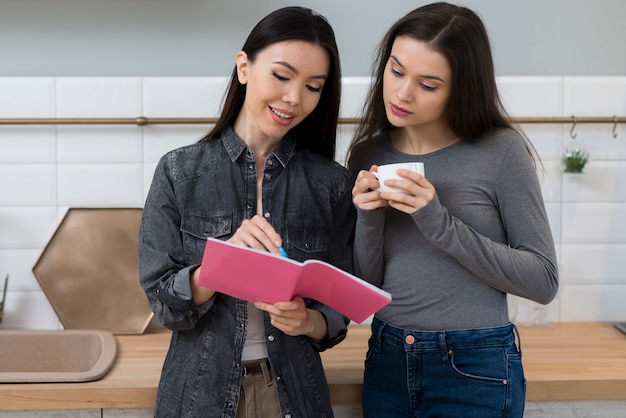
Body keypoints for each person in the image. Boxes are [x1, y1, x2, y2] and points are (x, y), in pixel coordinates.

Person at [138, 6, 355, 417]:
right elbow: (163, 303)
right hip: (198, 396)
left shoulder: (332, 185)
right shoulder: (178, 172)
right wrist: (223, 264)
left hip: (295, 396)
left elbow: (338, 309)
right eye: (281, 75)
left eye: (313, 86)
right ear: (244, 67)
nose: (294, 98)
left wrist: (309, 321)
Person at [347, 2, 559, 417]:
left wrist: (439, 223)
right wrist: (367, 217)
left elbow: (543, 281)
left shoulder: (500, 152)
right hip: (387, 356)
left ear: (461, 88)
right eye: (396, 70)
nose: (402, 93)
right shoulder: (367, 152)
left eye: (428, 85)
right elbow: (367, 289)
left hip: (475, 364)